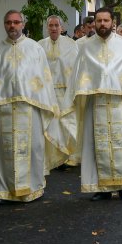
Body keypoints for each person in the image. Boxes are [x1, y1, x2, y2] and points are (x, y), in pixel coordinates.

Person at [0, 10, 72, 204]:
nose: (13, 26)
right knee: (3, 151)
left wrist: (47, 108)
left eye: (16, 22)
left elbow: (44, 81)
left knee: (32, 149)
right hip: (3, 111)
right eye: (9, 22)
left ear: (23, 24)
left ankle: (33, 188)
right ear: (4, 25)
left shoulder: (35, 49)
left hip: (30, 110)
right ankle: (2, 191)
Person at [66, 7, 122, 201]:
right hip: (96, 103)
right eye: (98, 21)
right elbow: (77, 76)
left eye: (106, 21)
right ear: (94, 23)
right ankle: (101, 188)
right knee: (95, 144)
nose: (102, 24)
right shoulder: (86, 47)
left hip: (120, 104)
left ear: (112, 23)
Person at [38, 16, 79, 165]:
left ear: (61, 27)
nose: (54, 28)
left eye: (56, 25)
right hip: (47, 92)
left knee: (66, 123)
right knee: (51, 123)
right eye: (51, 26)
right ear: (47, 27)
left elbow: (76, 69)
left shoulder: (72, 45)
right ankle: (54, 156)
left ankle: (69, 154)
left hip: (66, 91)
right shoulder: (40, 45)